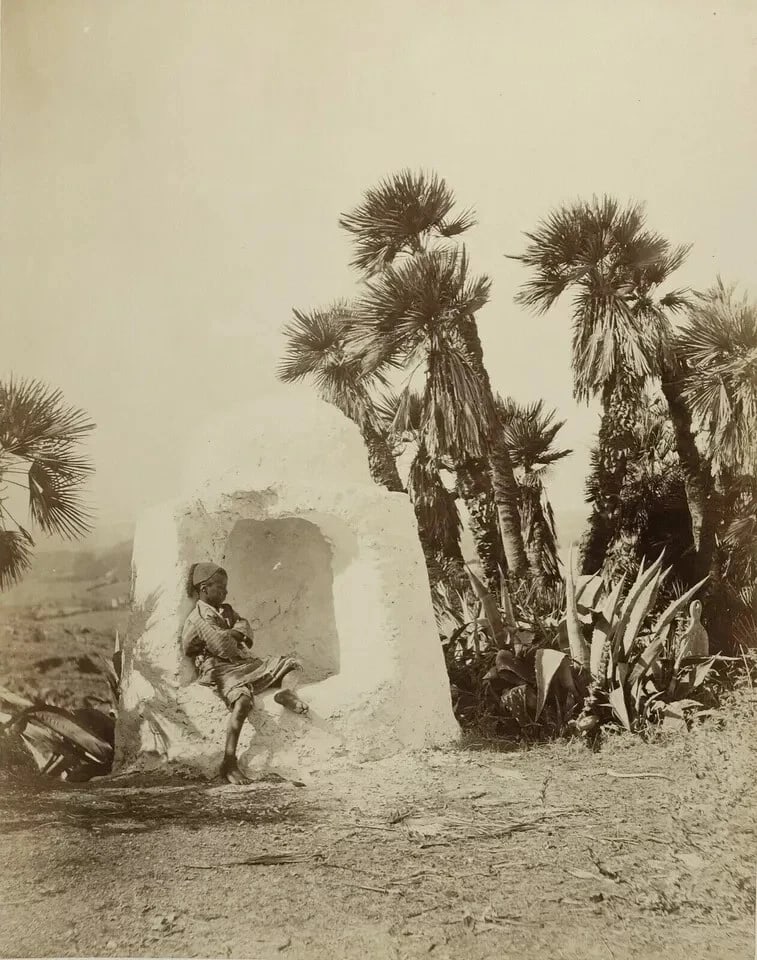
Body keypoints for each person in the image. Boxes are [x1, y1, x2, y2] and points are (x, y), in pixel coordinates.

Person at [182, 561, 308, 784]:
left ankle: (285, 692)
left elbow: (244, 626)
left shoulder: (225, 610)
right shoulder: (198, 617)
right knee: (242, 701)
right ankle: (229, 762)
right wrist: (231, 635)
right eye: (219, 587)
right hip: (217, 668)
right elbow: (222, 645)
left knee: (290, 664)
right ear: (204, 588)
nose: (225, 592)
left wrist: (231, 632)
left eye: (226, 588)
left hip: (239, 663)